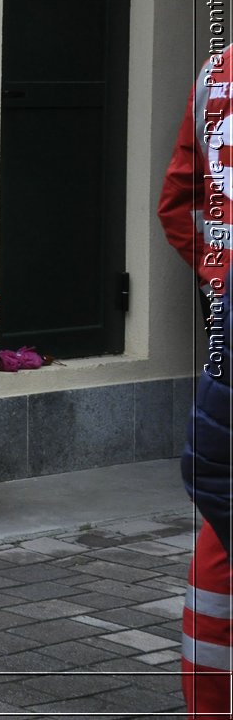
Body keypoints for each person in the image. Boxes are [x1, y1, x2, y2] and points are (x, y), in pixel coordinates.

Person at [157, 52, 233, 719]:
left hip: (226, 332)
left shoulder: (217, 70)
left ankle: (208, 703)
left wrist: (216, 277)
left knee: (219, 525)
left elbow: (174, 201)